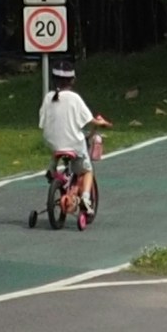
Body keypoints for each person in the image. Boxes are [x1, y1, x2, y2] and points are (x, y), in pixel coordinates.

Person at [34, 60, 109, 224]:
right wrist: (101, 122)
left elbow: (42, 123)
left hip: (52, 142)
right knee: (87, 170)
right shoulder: (74, 98)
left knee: (58, 147)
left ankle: (52, 169)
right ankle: (86, 199)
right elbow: (89, 120)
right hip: (73, 144)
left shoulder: (48, 98)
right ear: (72, 80)